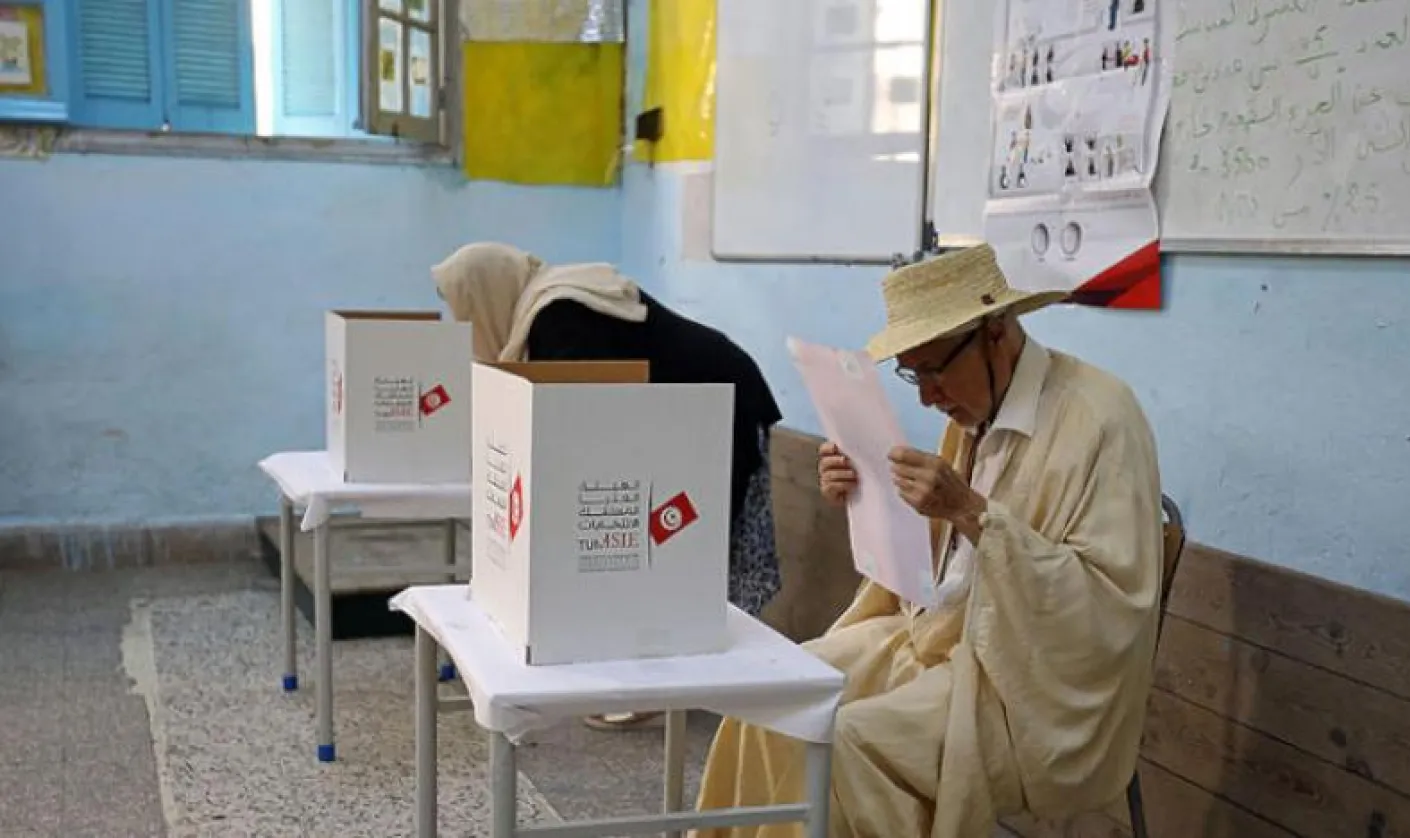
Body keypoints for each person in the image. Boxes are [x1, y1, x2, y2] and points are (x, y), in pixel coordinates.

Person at [692, 244, 1163, 836]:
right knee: (775, 698)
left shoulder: (1101, 419)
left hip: (1031, 686)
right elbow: (944, 569)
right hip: (937, 636)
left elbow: (1104, 610)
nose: (927, 395)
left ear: (995, 334)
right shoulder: (973, 410)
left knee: (849, 745)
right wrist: (866, 494)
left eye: (935, 370)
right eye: (912, 373)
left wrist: (972, 513)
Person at [432, 242, 784, 729]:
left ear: (487, 292)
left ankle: (669, 682)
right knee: (670, 546)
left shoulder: (559, 316)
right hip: (693, 409)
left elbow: (580, 422)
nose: (465, 326)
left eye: (464, 309)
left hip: (716, 409)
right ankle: (662, 676)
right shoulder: (552, 301)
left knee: (687, 545)